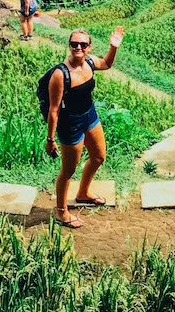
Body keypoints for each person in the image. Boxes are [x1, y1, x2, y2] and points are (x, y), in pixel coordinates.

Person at [46, 26, 124, 228]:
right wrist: (50, 139)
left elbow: (106, 63)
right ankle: (61, 212)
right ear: (69, 46)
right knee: (68, 170)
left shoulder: (89, 62)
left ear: (89, 47)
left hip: (89, 115)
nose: (78, 47)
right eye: (74, 44)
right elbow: (53, 110)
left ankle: (83, 193)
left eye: (83, 44)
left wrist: (113, 47)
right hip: (70, 124)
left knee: (99, 157)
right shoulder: (60, 74)